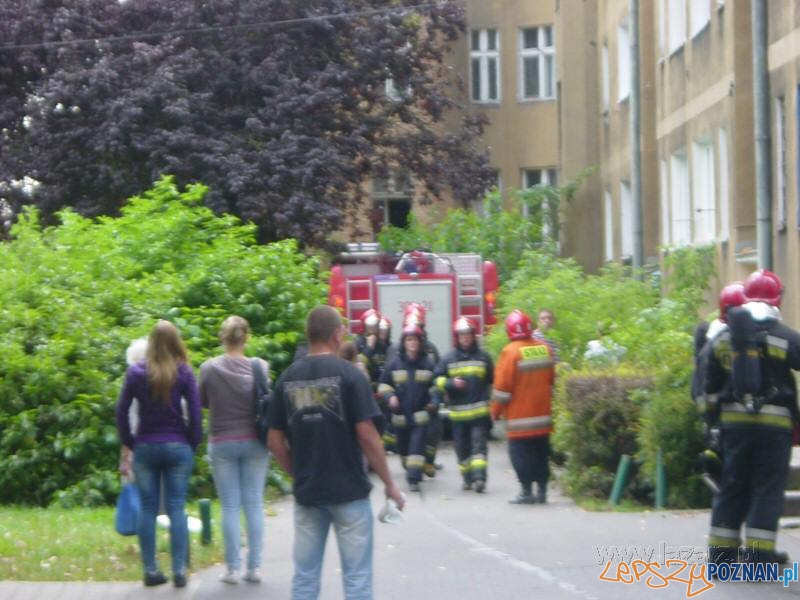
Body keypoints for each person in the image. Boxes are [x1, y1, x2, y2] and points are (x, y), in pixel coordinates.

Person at [267, 306, 405, 600]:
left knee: (305, 576)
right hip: (349, 492)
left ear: (308, 335)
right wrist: (390, 484)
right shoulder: (350, 375)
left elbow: (274, 440)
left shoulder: (287, 379)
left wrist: (296, 471)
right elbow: (367, 435)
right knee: (356, 579)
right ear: (335, 335)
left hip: (309, 493)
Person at [705, 270, 800, 567]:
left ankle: (721, 556)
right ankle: (759, 558)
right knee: (766, 489)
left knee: (733, 486)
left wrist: (711, 423)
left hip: (734, 427)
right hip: (775, 429)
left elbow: (707, 382)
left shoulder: (724, 338)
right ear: (777, 299)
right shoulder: (785, 337)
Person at [116, 320, 202, 588]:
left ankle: (151, 570)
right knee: (176, 507)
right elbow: (197, 414)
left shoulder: (136, 373)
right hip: (177, 445)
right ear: (176, 343)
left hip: (146, 447)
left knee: (148, 508)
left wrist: (130, 441)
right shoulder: (184, 372)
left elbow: (121, 411)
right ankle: (178, 570)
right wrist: (192, 442)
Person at [199, 316, 271, 585]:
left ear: (222, 337)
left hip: (221, 442)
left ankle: (232, 568)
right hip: (255, 441)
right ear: (246, 338)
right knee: (254, 502)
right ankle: (254, 568)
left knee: (229, 504)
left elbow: (203, 401)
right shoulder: (260, 367)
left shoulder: (208, 368)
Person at [491, 309, 556, 505]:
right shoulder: (545, 348)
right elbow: (552, 380)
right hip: (543, 418)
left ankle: (526, 491)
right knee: (541, 455)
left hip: (520, 421)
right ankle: (542, 491)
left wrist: (494, 412)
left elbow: (502, 389)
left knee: (520, 456)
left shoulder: (510, 352)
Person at [434, 317, 494, 492]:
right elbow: (436, 379)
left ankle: (479, 479)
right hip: (458, 416)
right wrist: (450, 384)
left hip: (479, 414)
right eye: (462, 335)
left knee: (479, 447)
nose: (465, 338)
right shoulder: (448, 358)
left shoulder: (484, 357)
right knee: (462, 450)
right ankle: (467, 478)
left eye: (468, 334)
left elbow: (492, 380)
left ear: (473, 336)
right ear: (457, 337)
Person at [379, 323, 438, 492]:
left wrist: (434, 401)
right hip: (400, 419)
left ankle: (414, 479)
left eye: (415, 340)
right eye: (409, 340)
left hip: (420, 417)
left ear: (420, 342)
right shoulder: (394, 364)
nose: (412, 343)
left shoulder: (427, 364)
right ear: (404, 342)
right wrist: (390, 397)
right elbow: (384, 385)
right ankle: (410, 468)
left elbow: (435, 387)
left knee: (416, 447)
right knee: (404, 450)